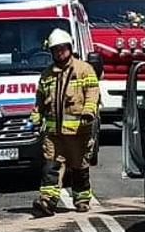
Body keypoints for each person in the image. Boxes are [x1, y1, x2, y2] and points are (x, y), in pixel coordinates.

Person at [33, 29, 101, 215]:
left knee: (79, 167)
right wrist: (36, 116)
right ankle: (47, 201)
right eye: (55, 49)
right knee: (50, 167)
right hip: (54, 134)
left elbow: (93, 93)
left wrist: (88, 111)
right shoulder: (47, 75)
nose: (59, 52)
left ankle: (81, 199)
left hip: (79, 131)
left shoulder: (84, 69)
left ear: (69, 48)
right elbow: (40, 99)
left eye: (62, 48)